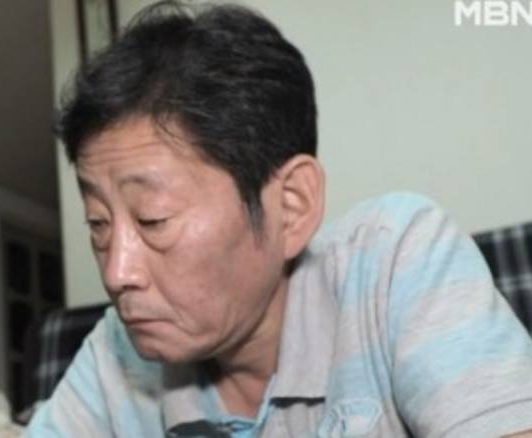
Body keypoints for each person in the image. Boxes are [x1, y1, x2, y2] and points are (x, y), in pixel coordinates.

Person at [26, 2, 532, 436]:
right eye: (98, 224)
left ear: (291, 205)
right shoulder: (119, 353)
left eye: (153, 219)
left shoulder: (396, 261)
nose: (118, 273)